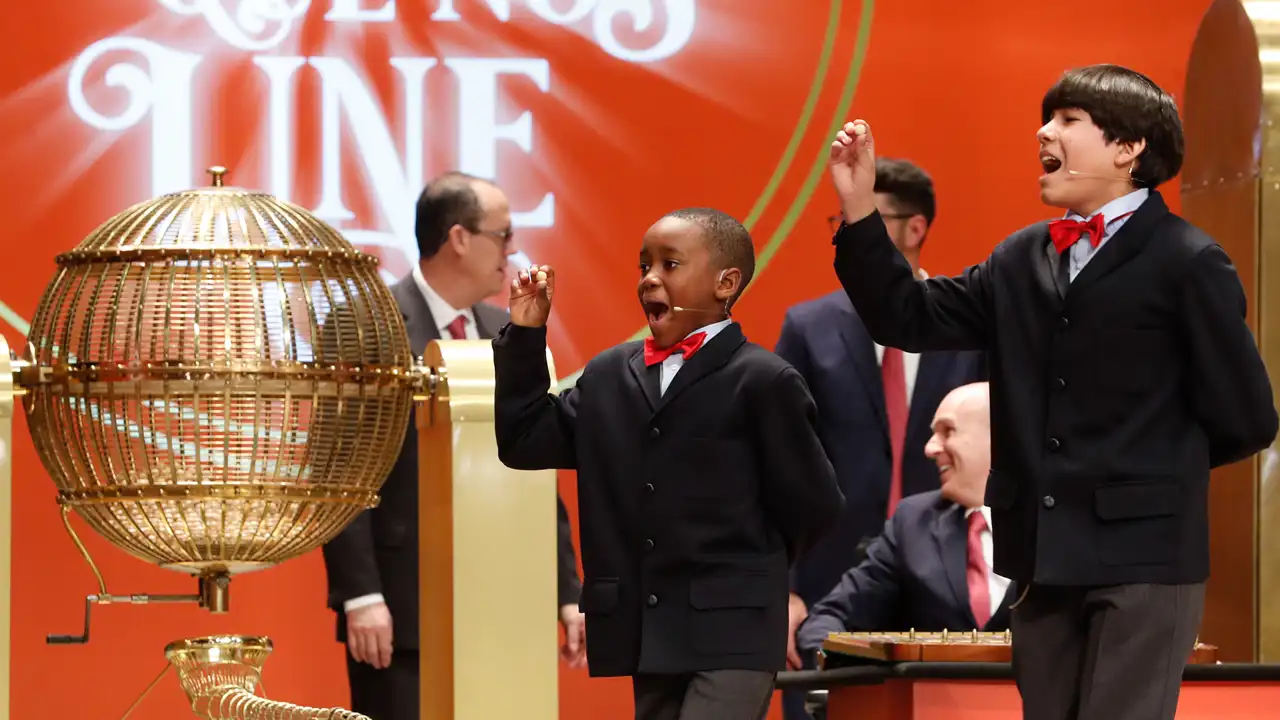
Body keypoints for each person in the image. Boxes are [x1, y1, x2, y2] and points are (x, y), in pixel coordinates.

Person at [825, 64, 1279, 720]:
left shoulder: (1188, 261)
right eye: (1047, 118)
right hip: (1041, 556)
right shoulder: (1020, 257)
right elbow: (907, 316)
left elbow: (1247, 417)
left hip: (1144, 559)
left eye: (1068, 120)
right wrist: (860, 207)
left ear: (1129, 149)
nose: (1043, 131)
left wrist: (1147, 472)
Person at [492, 207, 844, 720]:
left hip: (734, 632)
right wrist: (525, 334)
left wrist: (749, 571)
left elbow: (814, 505)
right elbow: (524, 440)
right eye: (644, 266)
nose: (650, 279)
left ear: (726, 282)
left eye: (670, 264)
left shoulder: (765, 381)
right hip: (645, 632)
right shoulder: (611, 373)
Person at [319, 172, 586, 720]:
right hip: (403, 607)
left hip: (502, 607)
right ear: (459, 238)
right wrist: (361, 595)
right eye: (503, 235)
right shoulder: (369, 321)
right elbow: (339, 465)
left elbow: (536, 467)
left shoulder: (507, 330)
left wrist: (566, 590)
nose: (512, 251)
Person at [774, 157, 984, 677]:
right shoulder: (808, 326)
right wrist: (783, 588)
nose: (851, 232)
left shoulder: (967, 323)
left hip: (950, 580)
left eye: (870, 217)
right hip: (826, 577)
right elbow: (779, 463)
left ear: (915, 228)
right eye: (844, 220)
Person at [796, 382, 1014, 666]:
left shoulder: (1058, 523)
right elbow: (830, 619)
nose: (930, 448)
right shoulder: (912, 523)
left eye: (947, 431)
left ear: (998, 437)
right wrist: (835, 669)